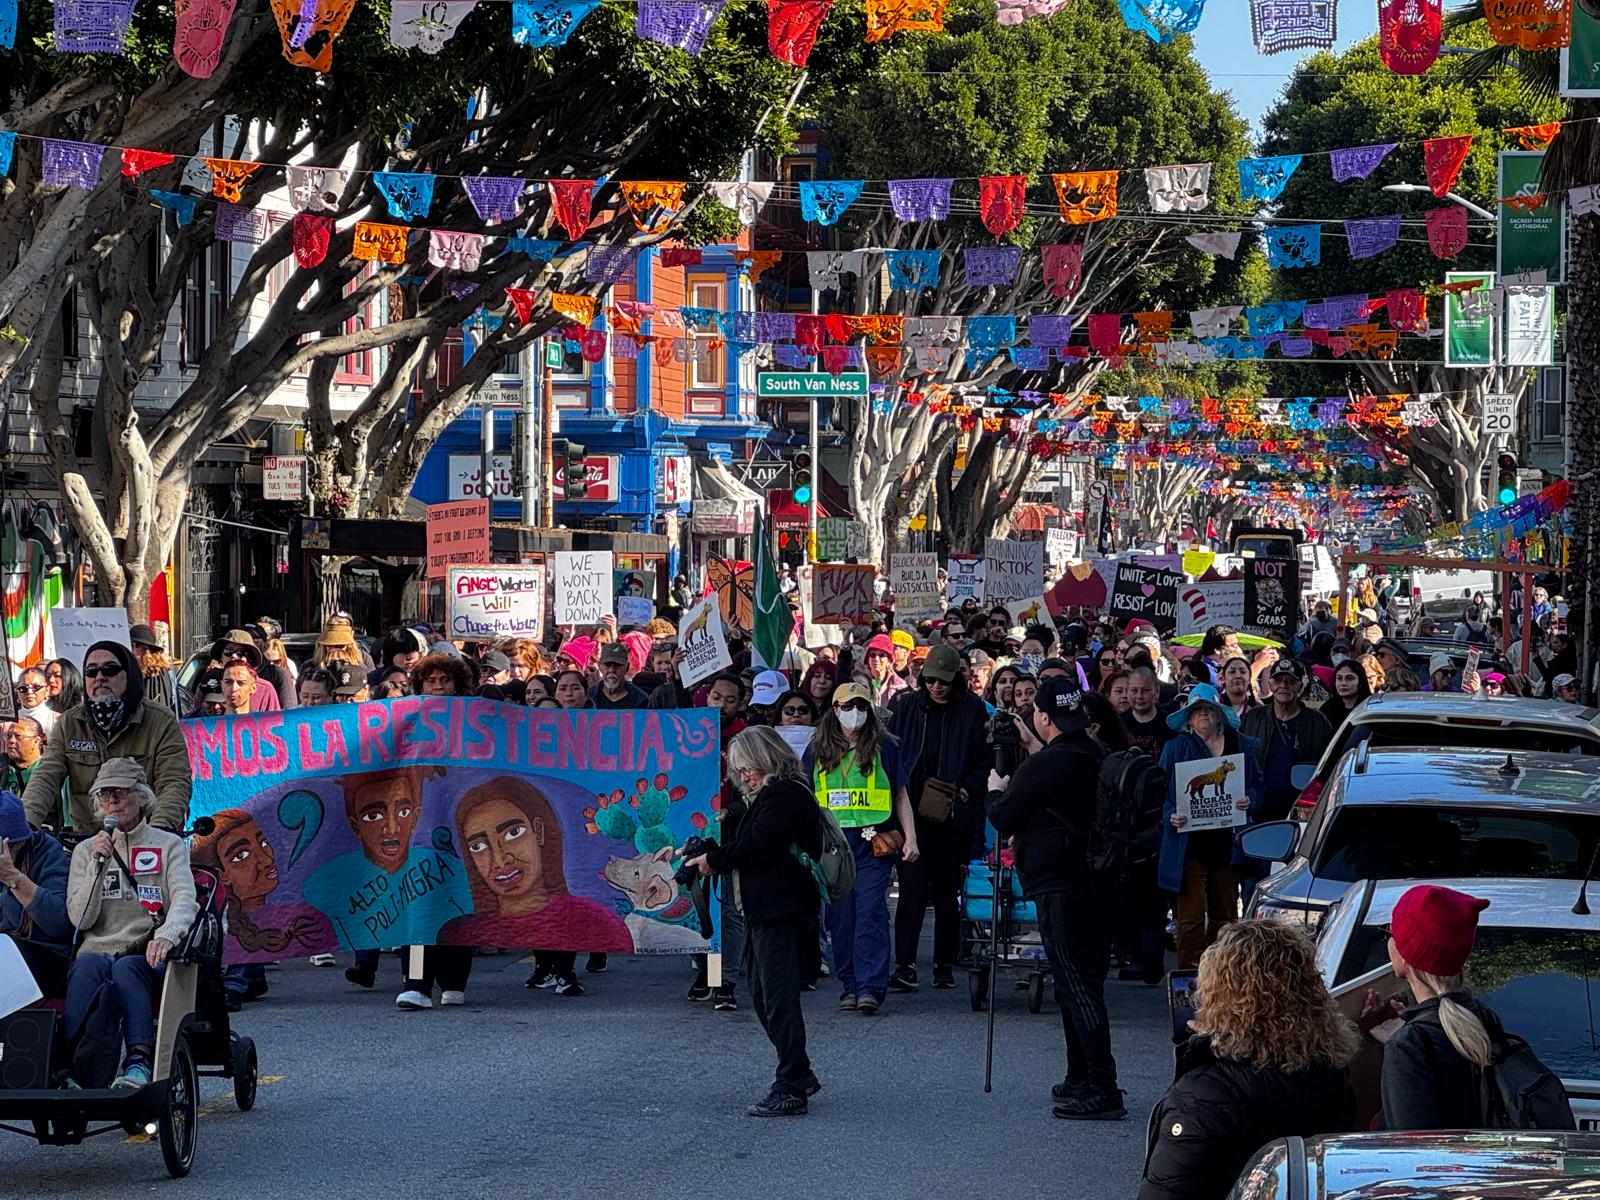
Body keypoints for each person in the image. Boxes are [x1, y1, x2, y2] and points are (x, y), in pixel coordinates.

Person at [1138, 921, 1358, 1200]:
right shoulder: (1329, 1070)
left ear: (1217, 998)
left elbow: (1166, 1192)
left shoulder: (1202, 1094)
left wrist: (1208, 1046)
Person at [987, 676, 1124, 1121]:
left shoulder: (1044, 766)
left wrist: (994, 787)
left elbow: (1004, 817)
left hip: (1060, 887)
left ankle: (1103, 1086)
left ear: (1044, 717)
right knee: (1081, 983)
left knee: (1076, 986)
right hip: (1102, 883)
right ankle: (1080, 1074)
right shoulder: (1097, 753)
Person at [684, 727, 823, 1117]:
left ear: (769, 756)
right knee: (763, 993)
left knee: (776, 998)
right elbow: (754, 845)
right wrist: (710, 852)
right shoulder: (769, 796)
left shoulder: (786, 793)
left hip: (782, 909)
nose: (743, 775)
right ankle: (799, 1071)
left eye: (749, 766)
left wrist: (715, 860)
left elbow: (761, 847)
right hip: (767, 909)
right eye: (739, 770)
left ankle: (792, 1083)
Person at [63, 758, 199, 1089]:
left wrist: (167, 936)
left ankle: (138, 1062)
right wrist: (98, 864)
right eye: (104, 794)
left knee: (126, 970)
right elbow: (81, 919)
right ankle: (69, 1067)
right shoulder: (85, 851)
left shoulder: (168, 845)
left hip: (147, 951)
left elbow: (185, 900)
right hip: (99, 947)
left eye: (121, 793)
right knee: (86, 965)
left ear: (141, 797)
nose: (112, 801)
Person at [1362, 884, 1534, 1130]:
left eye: (1392, 931)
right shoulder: (1482, 1016)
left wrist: (1405, 1040)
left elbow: (1410, 1151)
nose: (1389, 939)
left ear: (1406, 954)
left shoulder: (1409, 1045)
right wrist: (1406, 1031)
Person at [804, 682, 916, 1016]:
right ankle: (850, 984)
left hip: (873, 844)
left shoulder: (886, 748)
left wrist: (911, 838)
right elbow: (804, 799)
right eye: (848, 706)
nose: (856, 714)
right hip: (833, 848)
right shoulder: (816, 750)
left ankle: (870, 987)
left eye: (862, 706)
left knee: (870, 912)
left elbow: (901, 795)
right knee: (841, 918)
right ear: (834, 710)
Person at [886, 644, 990, 993]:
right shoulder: (906, 706)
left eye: (942, 681)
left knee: (947, 892)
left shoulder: (972, 710)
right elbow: (893, 749)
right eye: (930, 679)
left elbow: (982, 758)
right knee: (912, 891)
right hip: (911, 809)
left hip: (953, 813)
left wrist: (965, 790)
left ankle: (944, 964)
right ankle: (905, 964)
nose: (936, 686)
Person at [22, 642, 191, 833]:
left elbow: (174, 782)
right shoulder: (69, 723)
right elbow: (45, 778)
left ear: (129, 673)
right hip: (86, 843)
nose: (100, 677)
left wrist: (159, 831)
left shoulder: (160, 721)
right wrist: (24, 827)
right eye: (91, 671)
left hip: (144, 840)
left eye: (110, 670)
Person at [1158, 685, 1263, 970]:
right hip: (1188, 847)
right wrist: (1170, 816)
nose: (1202, 715)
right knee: (1190, 920)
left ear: (1219, 713)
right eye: (1196, 711)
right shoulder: (1175, 748)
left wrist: (1250, 800)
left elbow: (1258, 785)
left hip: (1227, 845)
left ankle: (1222, 977)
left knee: (1226, 918)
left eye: (1207, 709)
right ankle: (1189, 983)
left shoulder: (1242, 744)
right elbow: (1159, 795)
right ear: (1188, 718)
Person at [191, 809, 334, 1010]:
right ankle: (246, 977)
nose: (266, 859)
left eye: (265, 843)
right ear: (222, 874)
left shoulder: (306, 915)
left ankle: (242, 979)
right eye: (241, 855)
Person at [0, 790, 72, 997]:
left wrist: (13, 878)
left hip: (47, 953)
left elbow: (58, 923)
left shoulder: (48, 852)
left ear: (16, 842)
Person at [1241, 659, 1332, 824]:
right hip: (1260, 808)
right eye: (1278, 680)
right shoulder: (1253, 718)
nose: (1283, 685)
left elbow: (1328, 766)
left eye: (1290, 681)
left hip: (1302, 808)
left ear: (1300, 686)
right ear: (1270, 684)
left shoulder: (1317, 722)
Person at [210, 629, 281, 712]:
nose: (234, 656)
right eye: (228, 651)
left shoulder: (265, 690)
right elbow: (195, 721)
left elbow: (275, 723)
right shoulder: (208, 684)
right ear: (221, 657)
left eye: (241, 652)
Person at [1121, 666, 1174, 757]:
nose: (1139, 696)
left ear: (1157, 691)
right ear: (1127, 692)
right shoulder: (1118, 724)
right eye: (1134, 690)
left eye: (1145, 690)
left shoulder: (1170, 724)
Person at [129, 624, 180, 714]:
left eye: (133, 646)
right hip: (165, 723)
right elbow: (175, 704)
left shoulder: (134, 675)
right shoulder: (168, 673)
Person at [588, 643, 649, 709]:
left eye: (617, 665)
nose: (611, 670)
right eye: (607, 665)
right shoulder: (589, 698)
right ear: (599, 666)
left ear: (627, 667)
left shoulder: (641, 700)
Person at [1319, 660, 1372, 736]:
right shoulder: (1327, 709)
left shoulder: (1370, 708)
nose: (1343, 683)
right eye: (1339, 678)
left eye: (1350, 678)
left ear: (1360, 682)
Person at [4, 715, 47, 795]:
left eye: (18, 736)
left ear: (36, 741)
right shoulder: (3, 768)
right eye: (9, 735)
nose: (11, 740)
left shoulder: (49, 771)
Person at [14, 666, 56, 736]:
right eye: (23, 688)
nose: (29, 692)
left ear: (47, 690)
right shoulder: (8, 720)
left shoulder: (58, 721)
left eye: (36, 687)